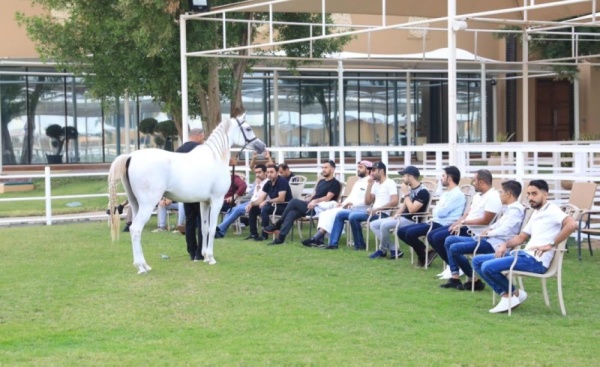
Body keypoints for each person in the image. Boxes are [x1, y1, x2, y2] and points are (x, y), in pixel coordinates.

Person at [472, 179, 577, 313]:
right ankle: (512, 294)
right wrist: (505, 245)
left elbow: (572, 224)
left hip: (536, 261)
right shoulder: (536, 212)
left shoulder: (552, 210)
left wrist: (550, 244)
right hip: (524, 255)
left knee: (488, 267)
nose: (530, 198)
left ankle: (508, 296)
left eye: (534, 194)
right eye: (528, 194)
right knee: (477, 261)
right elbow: (522, 237)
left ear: (545, 194)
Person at [441, 180, 525, 290]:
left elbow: (505, 230)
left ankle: (474, 280)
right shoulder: (509, 208)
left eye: (502, 193)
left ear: (508, 194)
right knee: (450, 240)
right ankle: (455, 278)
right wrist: (489, 229)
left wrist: (489, 233)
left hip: (495, 244)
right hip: (488, 239)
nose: (500, 195)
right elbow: (499, 224)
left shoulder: (516, 210)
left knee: (454, 248)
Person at [432, 169, 503, 273]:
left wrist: (463, 223)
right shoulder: (478, 195)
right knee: (435, 235)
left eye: (474, 181)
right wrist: (458, 222)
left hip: (475, 233)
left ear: (481, 182)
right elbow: (467, 213)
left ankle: (457, 269)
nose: (473, 184)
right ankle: (454, 270)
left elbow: (485, 221)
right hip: (466, 227)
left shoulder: (493, 197)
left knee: (439, 238)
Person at [397, 166, 466, 267]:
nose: (440, 178)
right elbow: (437, 211)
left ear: (449, 179)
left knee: (410, 234)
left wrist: (437, 210)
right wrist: (437, 210)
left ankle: (424, 256)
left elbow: (441, 213)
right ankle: (425, 252)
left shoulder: (457, 194)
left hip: (444, 224)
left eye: (443, 176)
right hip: (435, 221)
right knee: (401, 231)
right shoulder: (447, 193)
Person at [324, 161, 399, 250]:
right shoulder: (375, 184)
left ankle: (359, 245)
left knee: (353, 216)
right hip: (372, 212)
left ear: (381, 171)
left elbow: (394, 201)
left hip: (381, 214)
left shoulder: (390, 182)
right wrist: (369, 186)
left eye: (374, 170)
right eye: (372, 170)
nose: (372, 173)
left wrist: (377, 209)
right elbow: (368, 202)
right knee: (340, 214)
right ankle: (333, 244)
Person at [263, 160, 341, 245]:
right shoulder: (321, 181)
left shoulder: (335, 183)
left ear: (332, 169)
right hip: (310, 206)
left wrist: (314, 201)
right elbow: (314, 195)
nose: (323, 169)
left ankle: (278, 224)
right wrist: (309, 199)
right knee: (292, 213)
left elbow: (327, 197)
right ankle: (280, 238)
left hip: (320, 208)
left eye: (326, 167)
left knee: (293, 201)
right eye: (322, 167)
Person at [302, 160, 373, 247]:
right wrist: (343, 203)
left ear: (368, 170)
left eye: (361, 167)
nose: (358, 169)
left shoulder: (371, 183)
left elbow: (368, 201)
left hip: (360, 209)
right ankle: (319, 239)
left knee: (334, 213)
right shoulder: (358, 182)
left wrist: (352, 203)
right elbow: (351, 197)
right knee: (325, 213)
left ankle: (317, 238)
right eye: (358, 167)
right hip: (348, 207)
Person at [369, 165, 430, 259]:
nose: (403, 178)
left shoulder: (423, 192)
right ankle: (394, 249)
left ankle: (383, 250)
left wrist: (406, 194)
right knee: (373, 224)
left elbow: (412, 210)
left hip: (412, 220)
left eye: (404, 176)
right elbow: (404, 206)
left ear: (410, 177)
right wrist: (395, 215)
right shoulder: (411, 189)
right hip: (402, 217)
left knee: (384, 225)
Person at [214, 164, 268, 238]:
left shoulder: (267, 183)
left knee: (238, 209)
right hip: (250, 202)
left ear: (265, 173)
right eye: (256, 173)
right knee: (231, 209)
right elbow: (253, 196)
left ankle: (219, 228)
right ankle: (221, 232)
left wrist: (237, 197)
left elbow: (260, 197)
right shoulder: (258, 182)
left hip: (259, 204)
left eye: (259, 172)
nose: (257, 175)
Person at [177, 128, 206, 261]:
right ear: (198, 136)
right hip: (198, 188)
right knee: (202, 220)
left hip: (184, 190)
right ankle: (200, 252)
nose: (203, 139)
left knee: (190, 221)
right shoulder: (201, 149)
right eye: (203, 137)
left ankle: (191, 251)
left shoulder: (179, 150)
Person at [246, 164, 293, 241]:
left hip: (284, 207)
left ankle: (265, 235)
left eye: (271, 172)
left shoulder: (282, 182)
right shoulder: (268, 183)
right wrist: (251, 204)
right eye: (267, 172)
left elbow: (281, 198)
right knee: (253, 209)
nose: (269, 174)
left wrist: (267, 201)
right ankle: (253, 234)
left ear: (277, 172)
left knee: (265, 209)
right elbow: (260, 199)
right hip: (274, 206)